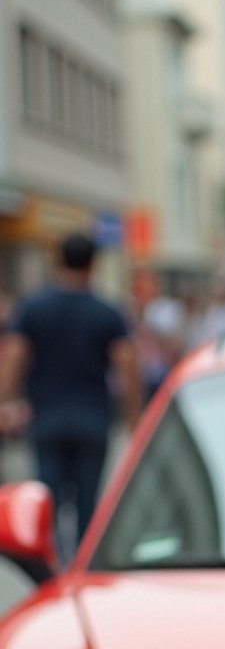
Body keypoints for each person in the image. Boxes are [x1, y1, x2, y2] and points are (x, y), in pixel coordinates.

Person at [0, 233, 141, 546]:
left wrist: (5, 401)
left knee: (47, 502)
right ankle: (80, 566)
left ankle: (51, 566)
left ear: (58, 260)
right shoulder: (108, 311)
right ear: (93, 265)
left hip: (47, 416)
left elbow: (15, 357)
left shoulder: (33, 308)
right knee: (86, 504)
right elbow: (128, 366)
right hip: (93, 416)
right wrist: (134, 416)